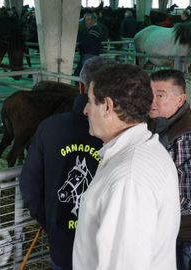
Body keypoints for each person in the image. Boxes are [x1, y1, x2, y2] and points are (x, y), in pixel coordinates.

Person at [73, 63, 181, 269]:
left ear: (107, 107)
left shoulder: (128, 179)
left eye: (90, 101)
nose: (86, 110)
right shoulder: (147, 149)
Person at [19, 56, 113, 270]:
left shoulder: (50, 127)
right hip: (106, 251)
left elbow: (29, 182)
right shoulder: (123, 133)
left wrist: (49, 219)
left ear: (80, 86)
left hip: (63, 245)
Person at [148, 69, 191, 270]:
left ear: (180, 100)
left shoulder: (185, 135)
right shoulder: (159, 124)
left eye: (160, 95)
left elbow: (187, 198)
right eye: (150, 94)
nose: (152, 101)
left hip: (183, 234)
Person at [73, 13, 103, 77]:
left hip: (89, 55)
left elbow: (88, 42)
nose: (86, 22)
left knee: (83, 74)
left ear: (92, 21)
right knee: (81, 74)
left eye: (87, 20)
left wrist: (78, 46)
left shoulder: (94, 30)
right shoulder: (94, 29)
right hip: (90, 54)